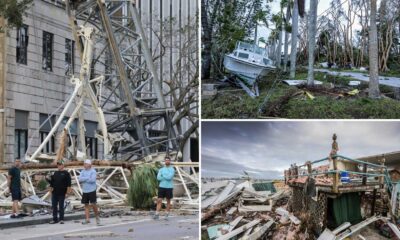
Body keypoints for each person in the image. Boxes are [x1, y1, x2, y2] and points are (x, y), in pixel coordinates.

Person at [78, 159, 100, 225]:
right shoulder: (82, 171)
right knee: (86, 205)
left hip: (92, 190)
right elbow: (80, 179)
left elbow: (92, 180)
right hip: (85, 190)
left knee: (93, 204)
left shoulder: (93, 171)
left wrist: (84, 178)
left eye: (86, 164)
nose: (84, 165)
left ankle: (97, 217)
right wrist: (87, 178)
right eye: (84, 164)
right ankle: (87, 219)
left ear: (89, 164)